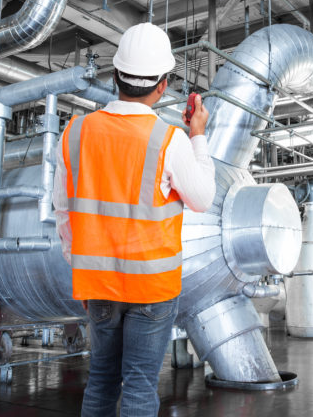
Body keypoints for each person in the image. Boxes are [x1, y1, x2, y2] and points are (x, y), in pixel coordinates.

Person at [52, 22, 216, 416]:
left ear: (114, 76)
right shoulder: (169, 139)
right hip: (152, 290)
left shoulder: (75, 132)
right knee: (140, 386)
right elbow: (203, 199)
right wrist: (197, 135)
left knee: (102, 381)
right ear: (163, 85)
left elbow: (62, 210)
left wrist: (81, 265)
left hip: (99, 285)